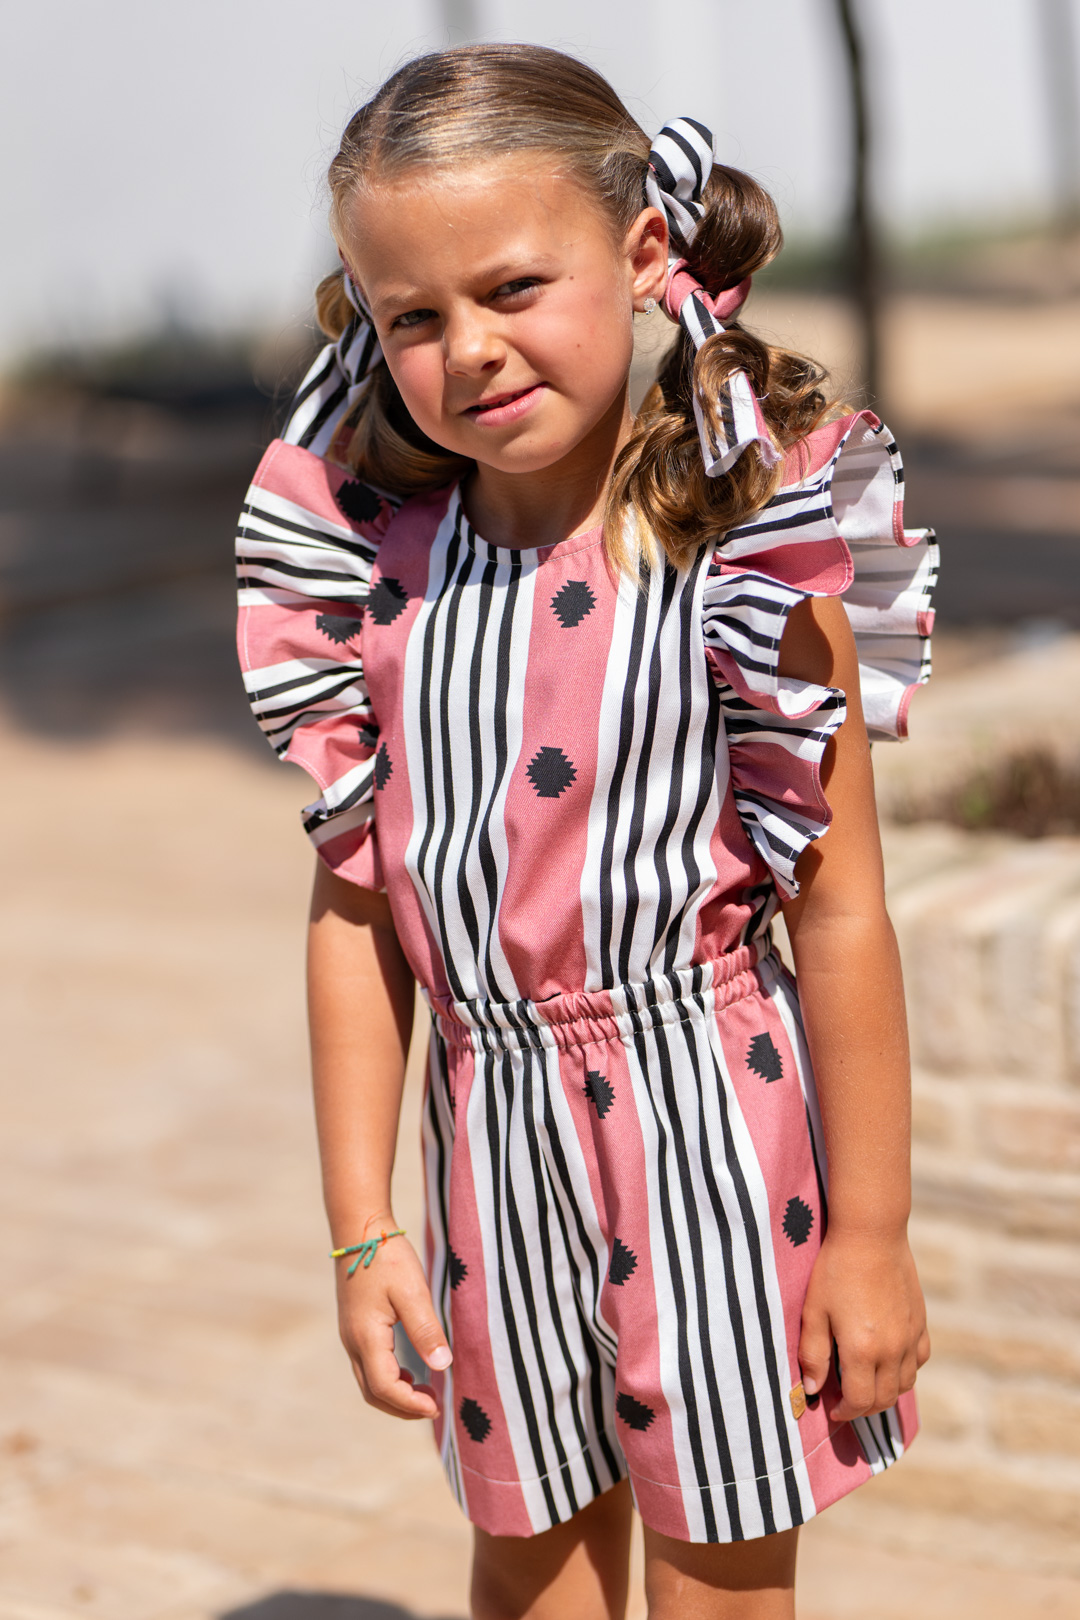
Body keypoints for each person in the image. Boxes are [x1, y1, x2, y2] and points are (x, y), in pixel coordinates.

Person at [236, 43, 936, 1620]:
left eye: (511, 288)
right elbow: (360, 917)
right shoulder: (379, 592)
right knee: (525, 1579)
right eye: (413, 318)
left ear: (640, 253)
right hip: (491, 1163)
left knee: (716, 1586)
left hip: (716, 1153)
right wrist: (362, 1232)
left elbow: (841, 914)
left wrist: (874, 1236)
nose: (469, 349)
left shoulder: (748, 568)